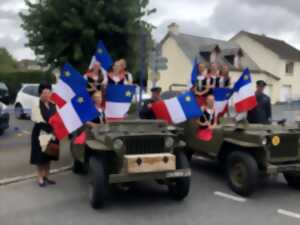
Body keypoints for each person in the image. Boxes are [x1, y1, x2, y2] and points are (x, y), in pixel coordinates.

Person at [30, 83, 58, 187]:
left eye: (49, 92)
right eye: (45, 92)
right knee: (40, 158)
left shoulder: (53, 104)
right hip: (40, 134)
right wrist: (50, 122)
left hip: (52, 134)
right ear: (40, 93)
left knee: (49, 157)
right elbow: (36, 118)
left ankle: (46, 176)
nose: (47, 94)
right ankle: (40, 178)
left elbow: (58, 117)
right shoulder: (36, 104)